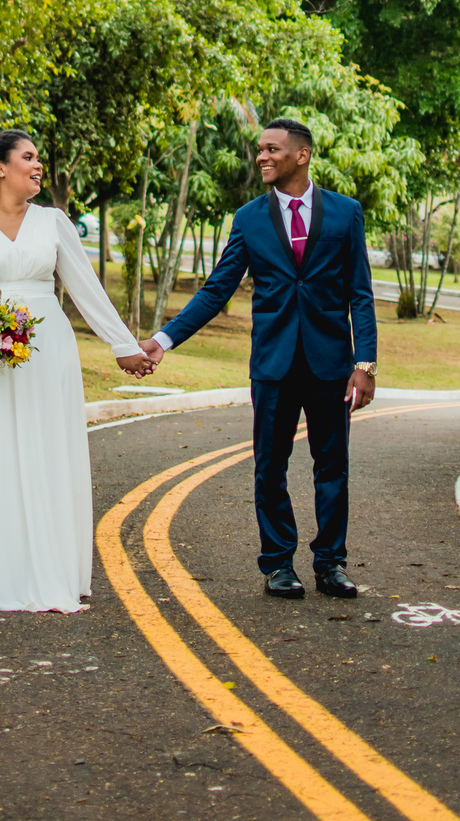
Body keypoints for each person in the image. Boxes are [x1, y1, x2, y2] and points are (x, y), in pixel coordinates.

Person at [141, 118, 376, 601]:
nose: (261, 157)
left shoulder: (346, 212)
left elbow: (361, 294)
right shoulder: (248, 218)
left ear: (302, 155)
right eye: (259, 150)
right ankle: (277, 564)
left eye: (272, 149)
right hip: (272, 365)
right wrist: (164, 339)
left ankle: (331, 563)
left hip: (331, 362)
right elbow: (216, 290)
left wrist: (365, 364)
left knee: (332, 467)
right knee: (270, 467)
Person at [0, 130, 155, 613]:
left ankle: (42, 571)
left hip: (46, 352)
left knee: (43, 451)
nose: (37, 165)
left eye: (38, 159)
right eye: (27, 157)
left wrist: (123, 346)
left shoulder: (53, 222)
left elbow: (85, 287)